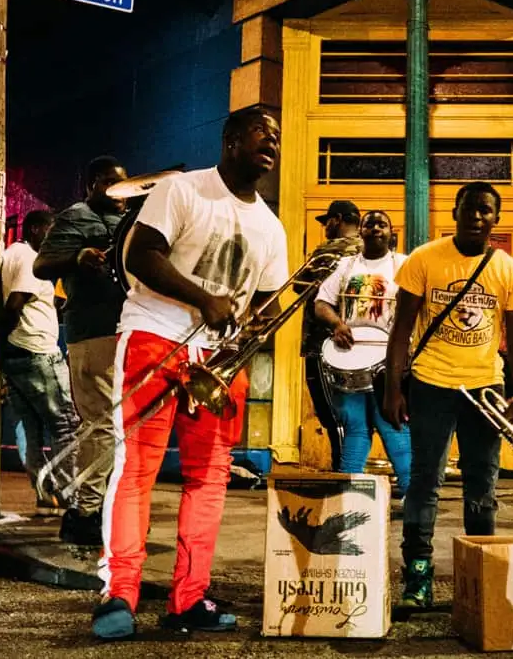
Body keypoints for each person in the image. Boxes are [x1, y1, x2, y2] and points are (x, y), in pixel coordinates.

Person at [92, 108, 288, 640]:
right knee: (136, 469)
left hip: (220, 360)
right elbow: (142, 255)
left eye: (276, 137)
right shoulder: (183, 191)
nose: (270, 141)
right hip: (155, 334)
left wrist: (259, 329)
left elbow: (264, 305)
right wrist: (206, 300)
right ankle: (120, 593)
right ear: (229, 140)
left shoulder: (272, 227)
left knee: (210, 479)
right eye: (259, 132)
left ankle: (189, 598)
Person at [382, 182, 513, 608]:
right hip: (432, 383)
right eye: (470, 208)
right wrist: (394, 388)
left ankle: (478, 576)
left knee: (482, 484)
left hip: (485, 387)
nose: (477, 216)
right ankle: (418, 577)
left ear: (495, 219)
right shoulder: (425, 258)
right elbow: (401, 331)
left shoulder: (509, 270)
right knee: (424, 482)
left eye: (486, 210)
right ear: (455, 212)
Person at [33, 155, 129, 547]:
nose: (118, 192)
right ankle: (84, 513)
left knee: (118, 428)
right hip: (91, 334)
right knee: (103, 426)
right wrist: (77, 257)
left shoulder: (128, 220)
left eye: (123, 184)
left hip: (125, 333)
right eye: (108, 183)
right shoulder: (76, 217)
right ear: (91, 185)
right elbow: (42, 265)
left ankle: (102, 510)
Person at [313, 210, 412, 493]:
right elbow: (321, 303)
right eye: (370, 224)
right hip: (350, 355)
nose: (376, 228)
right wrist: (336, 324)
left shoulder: (402, 265)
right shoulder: (346, 265)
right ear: (361, 231)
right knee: (355, 426)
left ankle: (412, 495)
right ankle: (348, 496)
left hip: (387, 358)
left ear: (392, 233)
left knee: (392, 425)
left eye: (382, 224)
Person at [0, 210, 79, 516]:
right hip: (37, 352)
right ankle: (72, 499)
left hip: (16, 356)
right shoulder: (31, 258)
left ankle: (45, 496)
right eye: (50, 231)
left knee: (30, 430)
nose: (53, 239)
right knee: (65, 424)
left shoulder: (11, 254)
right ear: (34, 229)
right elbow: (15, 304)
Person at [302, 199, 360, 470]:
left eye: (327, 221)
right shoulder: (372, 251)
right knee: (355, 411)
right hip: (361, 344)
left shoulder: (328, 250)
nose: (326, 227)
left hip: (322, 342)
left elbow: (301, 288)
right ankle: (351, 467)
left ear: (337, 219)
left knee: (330, 411)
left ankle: (341, 470)